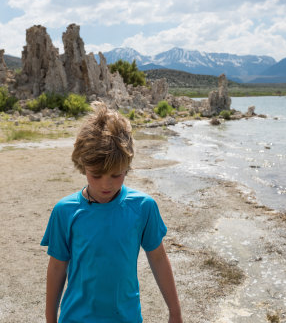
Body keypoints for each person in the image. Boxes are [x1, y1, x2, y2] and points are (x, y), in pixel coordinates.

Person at [41, 102, 183, 323]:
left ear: (127, 167)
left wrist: (175, 312)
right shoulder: (65, 211)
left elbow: (158, 257)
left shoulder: (143, 207)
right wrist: (50, 320)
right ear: (82, 165)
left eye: (116, 175)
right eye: (96, 175)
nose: (105, 185)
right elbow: (58, 266)